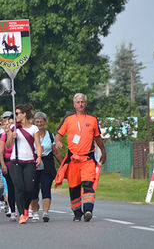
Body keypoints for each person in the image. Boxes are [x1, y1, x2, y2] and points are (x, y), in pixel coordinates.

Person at [55, 93, 106, 222]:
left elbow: (98, 137)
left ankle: (88, 210)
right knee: (74, 188)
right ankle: (77, 213)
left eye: (82, 102)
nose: (80, 104)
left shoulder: (92, 119)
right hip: (72, 160)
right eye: (78, 102)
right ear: (74, 104)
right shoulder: (68, 118)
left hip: (87, 160)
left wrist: (103, 151)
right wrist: (58, 142)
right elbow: (58, 135)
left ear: (86, 103)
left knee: (88, 184)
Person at [6, 104, 43, 224]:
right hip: (15, 161)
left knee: (29, 188)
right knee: (19, 187)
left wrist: (39, 156)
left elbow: (37, 144)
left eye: (17, 113)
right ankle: (21, 213)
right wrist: (12, 136)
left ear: (24, 114)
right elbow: (8, 145)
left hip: (29, 162)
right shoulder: (14, 128)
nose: (16, 116)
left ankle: (26, 208)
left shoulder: (34, 129)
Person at [30, 112, 63, 222]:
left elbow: (56, 152)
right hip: (33, 164)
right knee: (33, 190)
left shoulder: (50, 135)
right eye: (37, 122)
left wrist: (63, 164)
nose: (39, 124)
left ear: (45, 122)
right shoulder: (31, 134)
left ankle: (45, 212)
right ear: (34, 123)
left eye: (41, 121)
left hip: (47, 165)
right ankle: (35, 212)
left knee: (46, 188)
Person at [0, 115, 17, 221]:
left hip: (20, 163)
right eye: (8, 123)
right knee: (11, 187)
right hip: (8, 164)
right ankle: (12, 210)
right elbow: (0, 152)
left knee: (21, 187)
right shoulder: (4, 136)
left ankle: (25, 209)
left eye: (12, 123)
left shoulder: (20, 133)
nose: (10, 125)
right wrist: (3, 165)